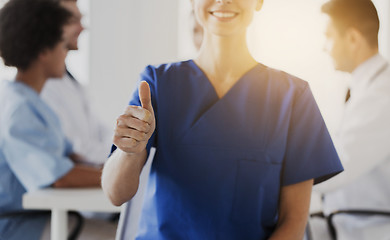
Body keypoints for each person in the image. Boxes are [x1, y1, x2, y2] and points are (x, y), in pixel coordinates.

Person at [102, 0, 343, 239]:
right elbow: (115, 194)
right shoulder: (157, 83)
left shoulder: (294, 97)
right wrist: (129, 151)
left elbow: (294, 221)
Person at [0, 0, 102, 239]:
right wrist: (118, 176)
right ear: (44, 51)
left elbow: (69, 155)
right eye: (63, 46)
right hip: (21, 227)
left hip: (43, 217)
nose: (66, 53)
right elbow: (59, 177)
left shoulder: (31, 101)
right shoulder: (19, 108)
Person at [311, 0, 390, 239]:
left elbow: (339, 163)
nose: (325, 47)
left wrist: (274, 174)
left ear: (353, 39)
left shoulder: (383, 94)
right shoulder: (362, 88)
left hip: (371, 229)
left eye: (329, 36)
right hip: (349, 225)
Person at [41, 0, 112, 166]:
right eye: (73, 21)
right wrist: (123, 156)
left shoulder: (69, 78)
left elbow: (100, 130)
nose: (82, 28)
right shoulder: (42, 87)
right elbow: (74, 150)